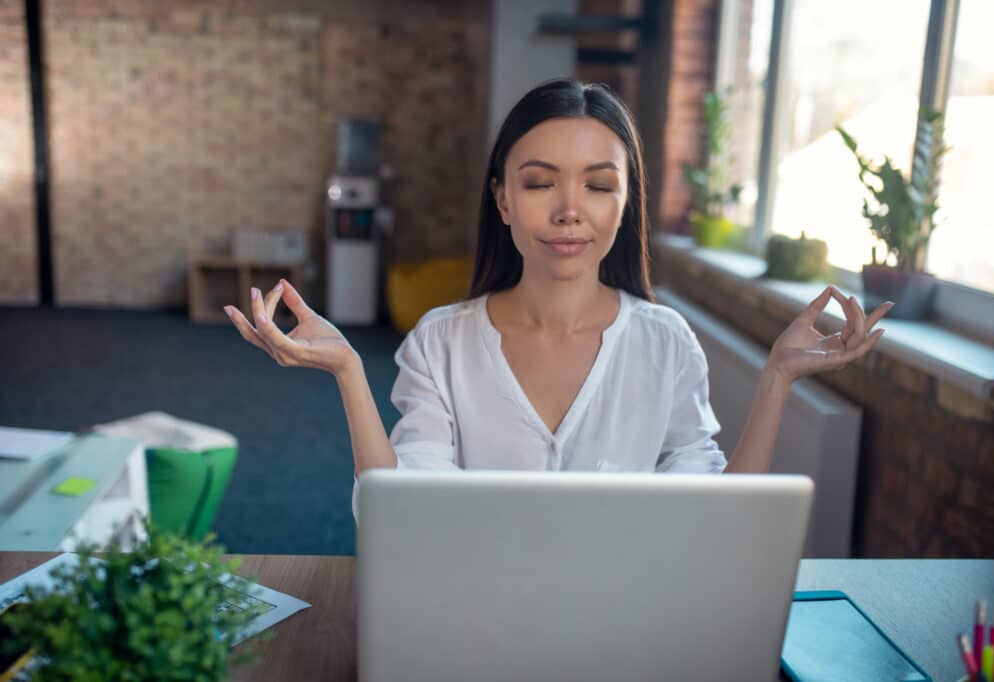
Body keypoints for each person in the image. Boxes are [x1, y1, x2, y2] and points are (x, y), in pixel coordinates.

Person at [224, 79, 891, 510]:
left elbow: (719, 517)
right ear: (503, 199)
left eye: (599, 185)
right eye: (541, 182)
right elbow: (403, 509)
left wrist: (777, 377)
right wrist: (347, 369)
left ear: (625, 205)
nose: (570, 210)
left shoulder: (666, 343)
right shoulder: (441, 341)